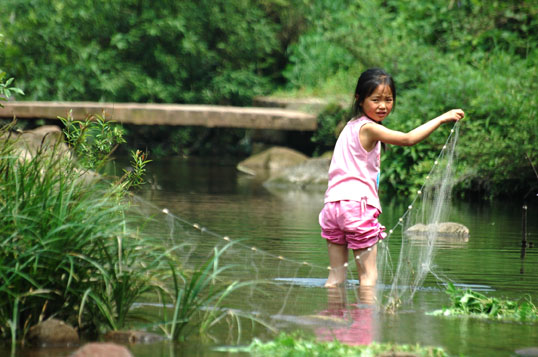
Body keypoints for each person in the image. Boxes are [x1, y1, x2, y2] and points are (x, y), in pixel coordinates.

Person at [319, 68, 464, 288]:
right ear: (359, 99)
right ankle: (365, 322)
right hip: (356, 207)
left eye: (388, 99)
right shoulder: (368, 129)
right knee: (368, 278)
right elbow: (407, 139)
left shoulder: (349, 127)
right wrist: (442, 118)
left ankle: (329, 320)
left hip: (332, 207)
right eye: (375, 99)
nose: (383, 106)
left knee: (335, 278)